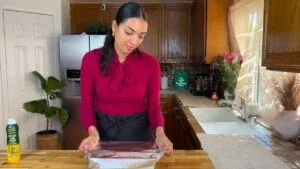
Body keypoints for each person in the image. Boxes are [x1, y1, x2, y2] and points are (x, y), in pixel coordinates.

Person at [78, 2, 173, 155]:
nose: (134, 41)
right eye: (129, 32)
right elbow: (86, 105)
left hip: (140, 136)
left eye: (141, 36)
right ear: (115, 27)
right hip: (102, 135)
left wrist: (160, 135)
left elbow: (155, 108)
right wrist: (93, 133)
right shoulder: (90, 60)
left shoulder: (151, 64)